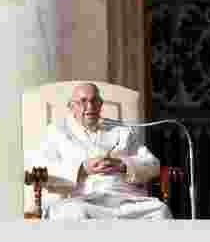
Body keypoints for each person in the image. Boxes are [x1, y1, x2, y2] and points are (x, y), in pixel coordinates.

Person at [35, 82, 171, 221]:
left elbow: (153, 164)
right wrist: (83, 169)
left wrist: (123, 165)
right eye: (83, 101)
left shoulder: (120, 130)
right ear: (71, 107)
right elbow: (41, 171)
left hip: (124, 200)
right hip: (82, 200)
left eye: (94, 101)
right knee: (73, 213)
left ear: (100, 105)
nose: (90, 107)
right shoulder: (56, 132)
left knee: (160, 211)